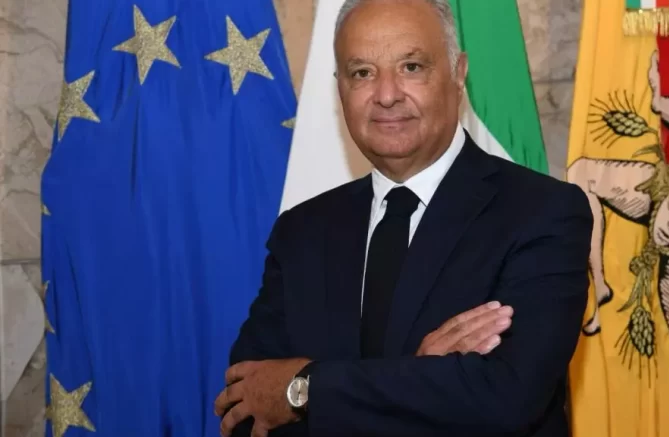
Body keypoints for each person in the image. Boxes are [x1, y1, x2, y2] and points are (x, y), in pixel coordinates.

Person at [214, 0, 593, 435]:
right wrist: (419, 376)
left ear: (458, 73)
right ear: (339, 88)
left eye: (411, 67)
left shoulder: (542, 213)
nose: (387, 94)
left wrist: (305, 391)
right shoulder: (302, 230)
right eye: (362, 73)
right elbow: (247, 405)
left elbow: (506, 398)